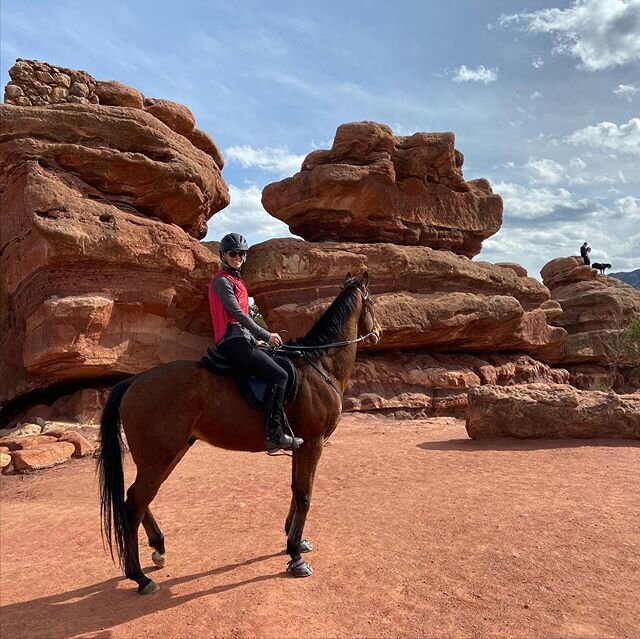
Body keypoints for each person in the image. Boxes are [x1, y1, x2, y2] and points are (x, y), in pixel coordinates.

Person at [208, 233, 303, 451]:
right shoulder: (222, 281)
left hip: (241, 340)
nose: (238, 257)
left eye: (242, 254)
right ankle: (274, 434)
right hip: (232, 342)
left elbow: (241, 320)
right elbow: (238, 316)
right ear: (223, 255)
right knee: (280, 375)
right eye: (233, 253)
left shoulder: (237, 281)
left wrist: (255, 342)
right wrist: (265, 335)